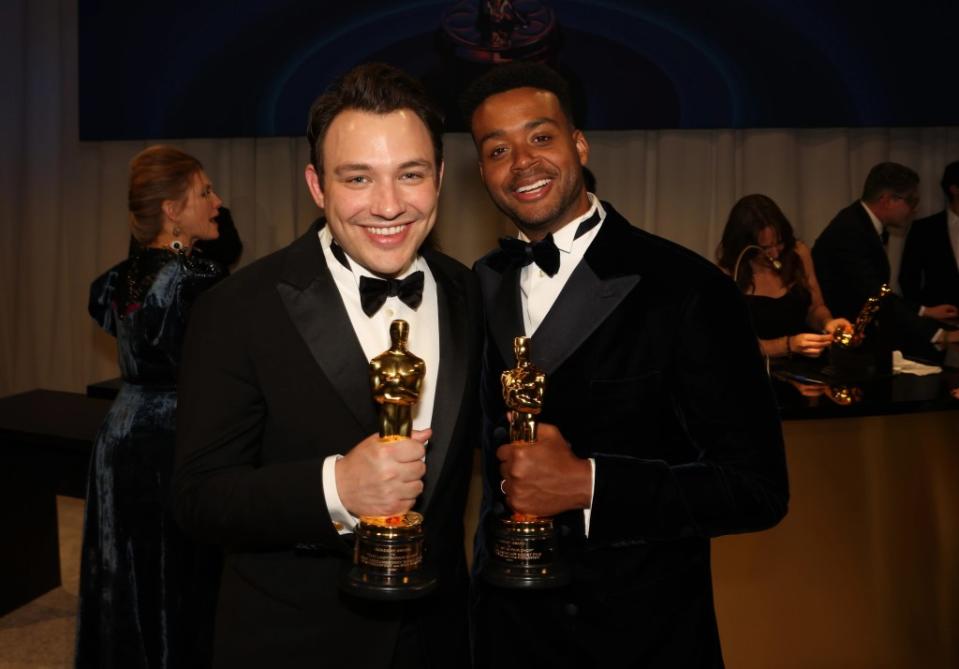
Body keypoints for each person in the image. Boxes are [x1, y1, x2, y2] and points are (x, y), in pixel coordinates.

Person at [462, 62, 788, 668]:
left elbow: (757, 490)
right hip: (505, 634)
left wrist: (589, 484)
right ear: (482, 172)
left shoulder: (687, 287)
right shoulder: (480, 286)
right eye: (497, 149)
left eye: (540, 137)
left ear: (578, 144)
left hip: (640, 638)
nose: (522, 162)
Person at [173, 63, 482, 668]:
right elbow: (196, 499)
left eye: (410, 174)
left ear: (440, 178)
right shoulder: (237, 308)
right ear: (318, 186)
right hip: (294, 641)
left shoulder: (469, 293)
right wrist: (336, 488)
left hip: (439, 637)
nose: (389, 205)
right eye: (358, 177)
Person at [76, 145, 228, 668]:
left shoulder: (120, 277)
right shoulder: (195, 280)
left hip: (119, 433)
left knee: (123, 568)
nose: (217, 201)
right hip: (175, 434)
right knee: (177, 574)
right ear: (171, 209)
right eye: (205, 192)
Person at [812, 162, 959, 358]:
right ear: (887, 200)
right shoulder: (850, 231)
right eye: (911, 201)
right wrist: (940, 334)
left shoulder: (858, 221)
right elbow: (873, 295)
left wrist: (925, 311)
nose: (914, 209)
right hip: (844, 342)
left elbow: (878, 294)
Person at [717, 194, 851, 359]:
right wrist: (789, 345)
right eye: (765, 248)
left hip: (806, 367)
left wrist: (828, 323)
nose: (775, 253)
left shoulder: (798, 253)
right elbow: (736, 344)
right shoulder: (729, 274)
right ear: (744, 245)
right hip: (762, 373)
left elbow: (815, 308)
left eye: (779, 243)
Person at [899, 160, 959, 316]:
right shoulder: (925, 229)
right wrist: (924, 312)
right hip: (939, 320)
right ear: (954, 189)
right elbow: (908, 278)